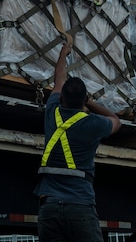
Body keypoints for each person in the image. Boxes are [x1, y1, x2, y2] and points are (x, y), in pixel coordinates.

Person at [34, 41, 121, 242]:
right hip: (80, 204)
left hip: (49, 206)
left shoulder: (52, 112)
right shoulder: (93, 124)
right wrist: (89, 102)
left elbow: (58, 81)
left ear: (61, 97)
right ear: (82, 101)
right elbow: (117, 121)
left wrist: (63, 54)